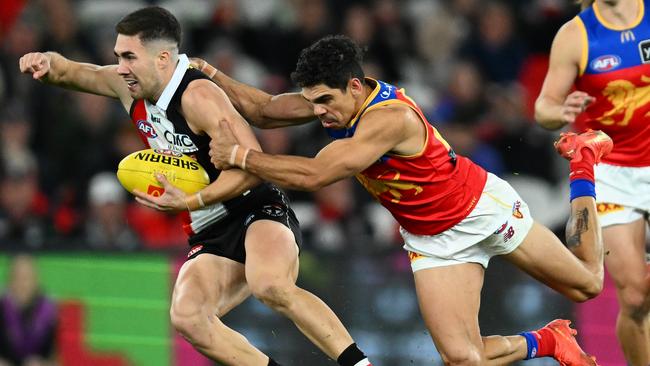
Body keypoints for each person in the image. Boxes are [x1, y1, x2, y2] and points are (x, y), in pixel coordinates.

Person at [197, 34, 611, 364]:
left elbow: (317, 174)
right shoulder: (336, 103)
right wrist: (208, 72)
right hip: (431, 238)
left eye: (325, 100)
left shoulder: (389, 118)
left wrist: (240, 157)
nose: (319, 113)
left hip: (479, 209)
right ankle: (548, 340)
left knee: (588, 285)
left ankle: (583, 162)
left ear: (355, 87)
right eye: (312, 101)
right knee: (462, 359)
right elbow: (265, 109)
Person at [19, 7, 372, 366]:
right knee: (187, 317)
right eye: (118, 57)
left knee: (270, 284)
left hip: (255, 209)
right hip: (208, 227)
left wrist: (194, 198)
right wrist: (45, 61)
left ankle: (358, 363)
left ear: (162, 59)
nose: (120, 67)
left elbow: (252, 168)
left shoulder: (199, 96)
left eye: (129, 57)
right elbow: (76, 72)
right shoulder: (128, 87)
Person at [535, 0, 650, 364]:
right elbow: (544, 107)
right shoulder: (576, 35)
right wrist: (561, 112)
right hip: (611, 172)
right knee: (633, 298)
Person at [0, 255, 57, 366]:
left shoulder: (49, 313)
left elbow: (57, 360)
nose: (22, 284)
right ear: (9, 280)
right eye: (17, 277)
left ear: (36, 281)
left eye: (26, 278)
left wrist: (42, 364)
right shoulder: (2, 308)